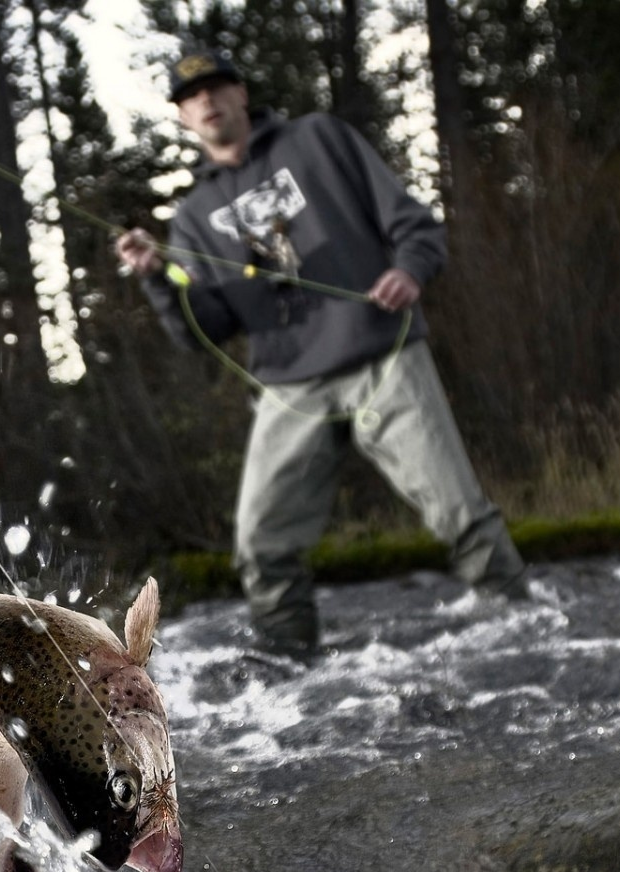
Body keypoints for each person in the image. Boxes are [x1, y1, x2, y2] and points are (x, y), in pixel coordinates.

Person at [116, 48, 526, 654]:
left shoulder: (320, 140)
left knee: (462, 516)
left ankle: (528, 636)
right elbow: (205, 326)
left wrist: (410, 271)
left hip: (381, 356)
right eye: (190, 96)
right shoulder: (193, 217)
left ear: (241, 94)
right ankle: (292, 676)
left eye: (216, 86)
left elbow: (415, 224)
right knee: (262, 549)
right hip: (289, 387)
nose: (205, 100)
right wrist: (156, 277)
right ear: (182, 117)